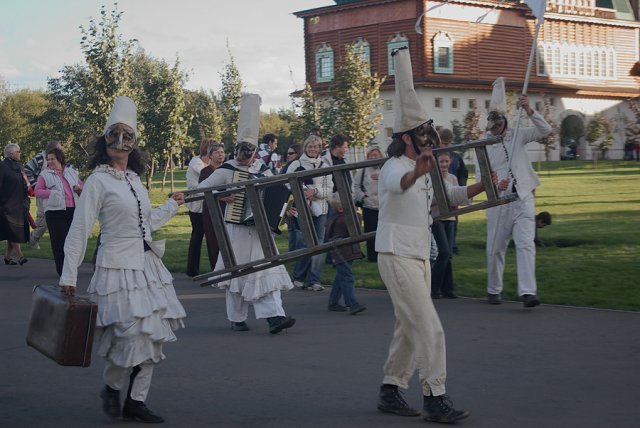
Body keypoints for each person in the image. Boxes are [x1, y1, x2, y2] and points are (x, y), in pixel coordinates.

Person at [375, 47, 503, 424]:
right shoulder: (395, 165)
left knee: (409, 328)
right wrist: (417, 172)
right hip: (396, 252)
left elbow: (447, 198)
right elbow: (398, 185)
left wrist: (484, 185)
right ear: (409, 138)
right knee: (429, 326)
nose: (431, 139)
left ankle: (390, 389)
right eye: (424, 134)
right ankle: (435, 396)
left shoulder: (426, 165)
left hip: (419, 253)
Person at [60, 96, 187, 423]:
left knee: (152, 336)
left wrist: (172, 205)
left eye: (127, 138)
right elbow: (80, 228)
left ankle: (136, 400)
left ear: (134, 145)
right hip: (116, 268)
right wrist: (68, 275)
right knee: (129, 337)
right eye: (115, 138)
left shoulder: (133, 180)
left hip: (147, 268)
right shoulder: (97, 182)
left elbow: (145, 223)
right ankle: (113, 386)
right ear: (105, 143)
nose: (121, 145)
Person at [197, 93, 295, 334]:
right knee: (236, 274)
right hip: (236, 230)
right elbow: (200, 191)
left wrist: (285, 209)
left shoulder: (263, 169)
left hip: (260, 231)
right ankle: (237, 317)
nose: (245, 156)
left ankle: (275, 316)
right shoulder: (227, 170)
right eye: (242, 151)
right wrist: (221, 196)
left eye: (249, 152)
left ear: (254, 153)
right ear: (236, 149)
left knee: (266, 270)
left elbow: (279, 192)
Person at [480, 77, 552, 308]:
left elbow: (545, 130)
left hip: (522, 197)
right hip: (500, 203)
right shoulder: (483, 145)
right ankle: (494, 289)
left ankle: (528, 292)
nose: (497, 129)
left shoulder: (519, 134)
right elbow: (481, 178)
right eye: (493, 126)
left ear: (505, 122)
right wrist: (494, 186)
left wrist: (530, 110)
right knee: (495, 248)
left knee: (525, 244)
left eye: (499, 125)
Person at [285, 134, 333, 291]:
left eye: (316, 147)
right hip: (302, 208)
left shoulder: (325, 166)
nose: (313, 149)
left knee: (318, 244)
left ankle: (314, 279)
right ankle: (298, 277)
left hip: (320, 210)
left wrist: (315, 191)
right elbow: (286, 184)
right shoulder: (296, 164)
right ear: (305, 148)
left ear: (320, 149)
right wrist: (303, 191)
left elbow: (329, 189)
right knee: (306, 243)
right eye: (310, 146)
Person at [33, 146, 83, 276]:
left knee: (72, 242)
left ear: (59, 158)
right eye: (48, 159)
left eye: (52, 159)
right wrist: (52, 193)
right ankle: (63, 273)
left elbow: (81, 185)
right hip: (55, 212)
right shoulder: (45, 174)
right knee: (59, 243)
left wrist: (79, 188)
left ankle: (71, 270)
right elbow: (37, 191)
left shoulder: (71, 171)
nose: (49, 162)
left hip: (73, 210)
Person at [325, 193, 366, 315]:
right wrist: (355, 212)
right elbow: (357, 222)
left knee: (341, 277)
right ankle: (352, 303)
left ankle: (333, 302)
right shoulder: (345, 219)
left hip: (341, 252)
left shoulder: (334, 218)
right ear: (342, 208)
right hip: (344, 252)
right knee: (347, 277)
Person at [430, 151, 459, 299]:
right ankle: (434, 287)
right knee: (444, 252)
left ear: (450, 161)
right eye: (441, 162)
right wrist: (444, 198)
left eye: (446, 161)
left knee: (448, 255)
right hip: (437, 218)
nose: (444, 165)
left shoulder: (453, 178)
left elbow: (457, 195)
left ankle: (448, 288)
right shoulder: (431, 178)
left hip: (450, 218)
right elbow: (430, 200)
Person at [24, 140, 63, 249]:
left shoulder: (58, 160)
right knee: (43, 221)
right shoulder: (40, 158)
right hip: (42, 194)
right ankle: (32, 240)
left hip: (54, 194)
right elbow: (27, 169)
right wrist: (36, 184)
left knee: (52, 220)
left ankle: (33, 239)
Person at [185, 138, 215, 277]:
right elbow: (209, 177)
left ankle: (215, 267)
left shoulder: (210, 164)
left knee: (212, 236)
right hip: (197, 207)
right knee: (197, 236)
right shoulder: (196, 163)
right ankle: (192, 269)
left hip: (208, 205)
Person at [438, 128, 468, 255]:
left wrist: (461, 187)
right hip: (438, 193)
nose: (446, 146)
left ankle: (452, 246)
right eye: (444, 143)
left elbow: (463, 172)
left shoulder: (455, 157)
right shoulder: (434, 154)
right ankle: (442, 247)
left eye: (449, 143)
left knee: (453, 220)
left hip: (453, 191)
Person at [352, 145, 383, 262]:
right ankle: (372, 256)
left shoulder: (384, 168)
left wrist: (381, 177)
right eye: (371, 155)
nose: (374, 157)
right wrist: (363, 197)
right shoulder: (363, 169)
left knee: (382, 230)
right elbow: (356, 185)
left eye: (376, 155)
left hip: (383, 205)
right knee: (370, 231)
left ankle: (382, 254)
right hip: (369, 205)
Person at [0, 143, 30, 265]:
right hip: (6, 205)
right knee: (12, 231)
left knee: (13, 232)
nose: (20, 153)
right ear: (12, 154)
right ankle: (20, 256)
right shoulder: (2, 167)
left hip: (19, 204)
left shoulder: (20, 166)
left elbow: (24, 183)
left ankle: (7, 257)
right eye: (18, 151)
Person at [199, 142, 226, 271]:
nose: (220, 155)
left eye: (222, 152)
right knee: (214, 241)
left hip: (226, 210)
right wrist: (223, 197)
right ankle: (216, 270)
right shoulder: (205, 172)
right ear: (210, 155)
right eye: (217, 152)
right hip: (211, 211)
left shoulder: (227, 170)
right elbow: (204, 190)